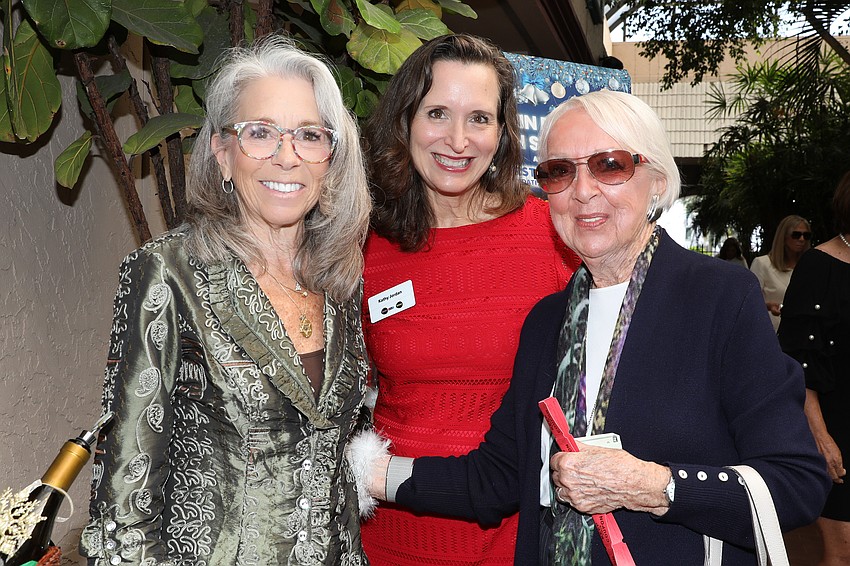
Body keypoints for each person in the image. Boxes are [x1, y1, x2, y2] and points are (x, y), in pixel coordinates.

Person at [350, 89, 830, 565]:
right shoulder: (546, 322)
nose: (582, 191)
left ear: (657, 181)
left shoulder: (721, 298)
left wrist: (654, 487)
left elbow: (798, 481)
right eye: (560, 171)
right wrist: (364, 472)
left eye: (609, 165)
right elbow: (497, 478)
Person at [79, 36, 372, 565]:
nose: (287, 156)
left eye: (309, 135)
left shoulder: (339, 280)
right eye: (260, 133)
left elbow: (333, 472)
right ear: (222, 153)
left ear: (331, 157)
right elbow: (125, 496)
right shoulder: (169, 272)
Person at [359, 34, 580, 565]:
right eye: (437, 113)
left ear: (502, 132)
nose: (458, 141)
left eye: (479, 118)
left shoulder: (552, 235)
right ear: (405, 121)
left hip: (516, 534)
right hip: (390, 533)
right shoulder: (366, 245)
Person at [779, 172, 850, 566]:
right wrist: (820, 438)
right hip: (839, 428)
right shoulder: (819, 266)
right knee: (842, 554)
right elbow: (799, 362)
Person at [750, 214, 812, 331]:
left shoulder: (809, 267)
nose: (801, 239)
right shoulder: (762, 264)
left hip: (802, 331)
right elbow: (750, 302)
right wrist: (769, 306)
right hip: (772, 331)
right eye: (796, 235)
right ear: (783, 237)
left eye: (806, 235)